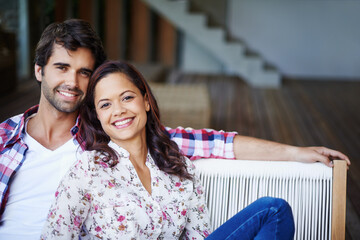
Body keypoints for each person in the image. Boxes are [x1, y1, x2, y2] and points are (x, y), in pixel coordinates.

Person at [0, 19, 349, 239]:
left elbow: (218, 143)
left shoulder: (107, 137)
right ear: (39, 71)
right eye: (61, 67)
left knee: (274, 210)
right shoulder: (6, 139)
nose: (72, 82)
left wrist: (298, 153)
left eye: (84, 72)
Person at [40, 60, 295, 239]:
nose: (118, 110)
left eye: (127, 97)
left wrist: (298, 153)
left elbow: (199, 236)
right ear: (98, 116)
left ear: (146, 102)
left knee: (274, 210)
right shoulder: (89, 169)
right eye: (105, 105)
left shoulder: (178, 166)